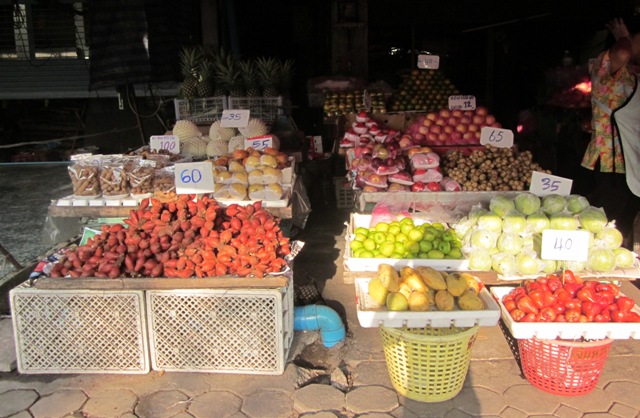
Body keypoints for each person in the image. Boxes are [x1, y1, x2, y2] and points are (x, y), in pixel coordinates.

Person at [581, 17, 640, 249]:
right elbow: (623, 53)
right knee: (607, 225)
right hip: (610, 160)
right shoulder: (605, 66)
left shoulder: (633, 73)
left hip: (631, 159)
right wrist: (623, 37)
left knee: (623, 224)